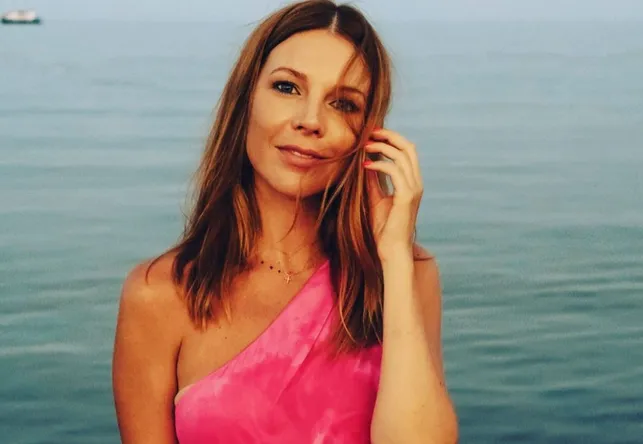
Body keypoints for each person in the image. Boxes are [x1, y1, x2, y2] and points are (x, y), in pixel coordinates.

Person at [111, 0, 458, 442]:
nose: (311, 121)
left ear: (367, 135)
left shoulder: (407, 275)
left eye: (343, 104)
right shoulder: (160, 294)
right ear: (246, 101)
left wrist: (392, 256)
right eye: (287, 87)